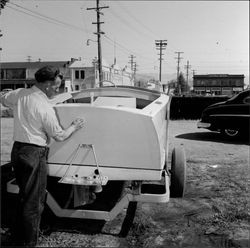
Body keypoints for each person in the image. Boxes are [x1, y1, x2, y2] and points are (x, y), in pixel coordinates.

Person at [0, 65, 84, 247]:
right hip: (34, 154)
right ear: (47, 84)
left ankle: (17, 237)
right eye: (56, 86)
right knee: (34, 202)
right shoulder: (44, 107)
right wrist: (74, 126)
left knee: (23, 197)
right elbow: (59, 136)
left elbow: (3, 99)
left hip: (18, 150)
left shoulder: (20, 94)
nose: (57, 90)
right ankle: (29, 243)